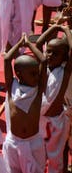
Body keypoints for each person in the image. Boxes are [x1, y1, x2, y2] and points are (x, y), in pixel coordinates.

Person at [2, 35, 47, 173]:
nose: (37, 76)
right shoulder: (12, 87)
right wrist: (19, 43)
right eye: (33, 74)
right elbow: (7, 58)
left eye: (37, 73)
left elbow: (44, 61)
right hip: (13, 143)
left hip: (34, 143)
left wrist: (28, 44)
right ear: (19, 74)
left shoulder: (38, 90)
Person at [36, 25, 72, 173]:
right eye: (48, 51)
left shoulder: (65, 70)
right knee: (49, 150)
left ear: (65, 56)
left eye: (55, 53)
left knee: (64, 149)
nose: (50, 55)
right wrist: (55, 27)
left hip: (63, 115)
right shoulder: (43, 66)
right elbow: (38, 43)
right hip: (47, 118)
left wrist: (65, 31)